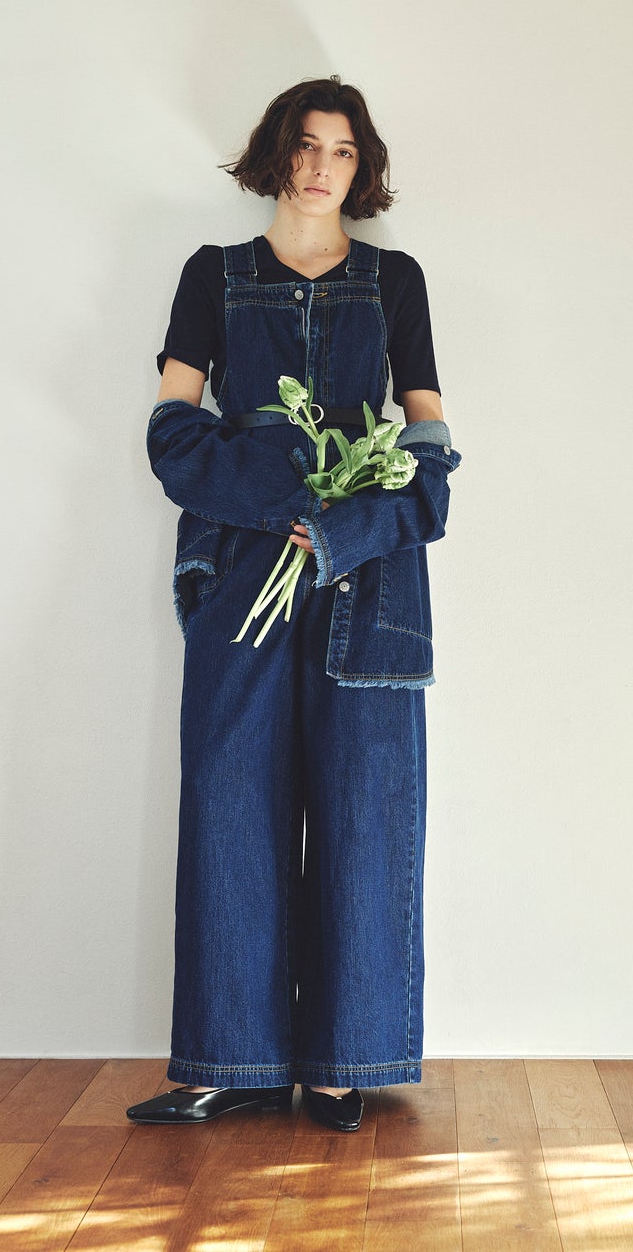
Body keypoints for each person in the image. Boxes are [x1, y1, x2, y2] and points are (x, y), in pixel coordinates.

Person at [127, 76, 461, 1133]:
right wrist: (287, 494)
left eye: (344, 151)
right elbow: (172, 432)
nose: (322, 167)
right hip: (242, 573)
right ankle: (229, 1060)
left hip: (372, 581)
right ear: (276, 153)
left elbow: (430, 449)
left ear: (364, 169)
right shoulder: (213, 276)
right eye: (307, 145)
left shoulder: (395, 281)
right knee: (231, 801)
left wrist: (352, 524)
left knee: (366, 811)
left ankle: (343, 1063)